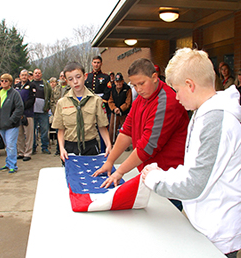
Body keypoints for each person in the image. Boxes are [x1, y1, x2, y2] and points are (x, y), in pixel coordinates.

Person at [141, 48, 241, 258]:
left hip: (217, 232)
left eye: (176, 90)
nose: (176, 97)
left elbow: (195, 184)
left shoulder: (216, 119)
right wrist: (163, 173)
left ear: (190, 85)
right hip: (206, 222)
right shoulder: (204, 111)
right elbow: (193, 168)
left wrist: (155, 179)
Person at [92, 58, 189, 210]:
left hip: (168, 179)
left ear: (155, 77)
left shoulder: (166, 102)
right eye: (134, 85)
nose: (138, 89)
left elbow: (147, 147)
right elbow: (126, 131)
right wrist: (110, 161)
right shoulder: (142, 98)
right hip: (150, 176)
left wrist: (120, 171)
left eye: (142, 83)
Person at [52, 62, 111, 163]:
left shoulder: (96, 100)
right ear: (66, 81)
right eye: (70, 79)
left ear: (85, 76)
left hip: (90, 146)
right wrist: (61, 148)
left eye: (78, 77)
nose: (75, 82)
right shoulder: (62, 103)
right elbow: (61, 129)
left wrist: (109, 145)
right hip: (70, 147)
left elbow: (102, 126)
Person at [0, 74, 24, 173]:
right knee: (7, 144)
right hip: (0, 124)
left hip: (11, 125)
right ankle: (8, 163)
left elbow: (19, 108)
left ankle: (13, 164)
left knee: (10, 144)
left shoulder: (15, 94)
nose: (3, 83)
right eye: (2, 81)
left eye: (6, 81)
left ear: (10, 82)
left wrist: (11, 120)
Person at [85, 56, 112, 153]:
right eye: (94, 62)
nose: (96, 64)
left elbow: (108, 91)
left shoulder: (106, 77)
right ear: (92, 63)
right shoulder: (87, 76)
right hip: (89, 106)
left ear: (101, 64)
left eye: (98, 62)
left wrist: (100, 102)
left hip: (102, 106)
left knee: (103, 129)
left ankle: (104, 151)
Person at [15, 69, 36, 162]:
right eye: (22, 75)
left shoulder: (31, 86)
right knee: (19, 134)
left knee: (29, 134)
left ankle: (28, 153)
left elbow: (32, 100)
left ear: (28, 76)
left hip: (28, 113)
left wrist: (22, 107)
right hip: (18, 114)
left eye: (25, 75)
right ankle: (21, 152)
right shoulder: (16, 86)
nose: (24, 76)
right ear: (19, 76)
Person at [32, 68, 52, 154]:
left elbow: (50, 96)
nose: (37, 74)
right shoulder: (30, 84)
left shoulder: (46, 85)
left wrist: (48, 106)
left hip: (43, 111)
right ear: (33, 74)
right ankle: (32, 147)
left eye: (39, 73)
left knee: (44, 130)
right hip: (32, 111)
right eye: (36, 73)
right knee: (32, 131)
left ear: (41, 74)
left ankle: (45, 147)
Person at [50, 71, 71, 155]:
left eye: (63, 76)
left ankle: (66, 149)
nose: (62, 77)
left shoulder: (70, 88)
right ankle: (59, 149)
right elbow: (52, 101)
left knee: (67, 132)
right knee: (58, 131)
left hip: (68, 114)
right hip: (57, 114)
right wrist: (54, 111)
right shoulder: (56, 88)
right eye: (60, 76)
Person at [108, 73, 132, 144]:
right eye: (117, 82)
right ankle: (112, 142)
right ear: (115, 82)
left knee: (125, 128)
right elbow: (110, 100)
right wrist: (114, 108)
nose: (118, 83)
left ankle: (125, 144)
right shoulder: (112, 89)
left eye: (120, 81)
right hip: (114, 112)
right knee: (112, 127)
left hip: (124, 112)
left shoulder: (127, 89)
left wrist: (121, 109)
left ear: (123, 81)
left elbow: (128, 102)